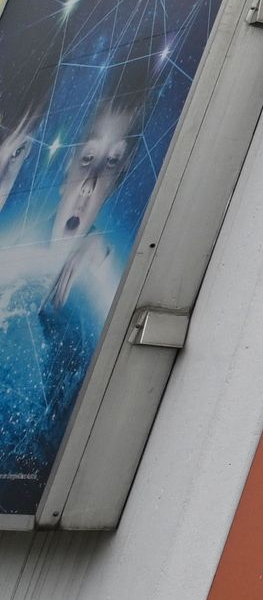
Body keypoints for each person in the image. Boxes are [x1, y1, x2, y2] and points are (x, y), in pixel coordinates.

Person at [0, 45, 162, 471]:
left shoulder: (99, 277)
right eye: (88, 159)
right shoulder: (19, 245)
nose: (89, 185)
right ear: (66, 160)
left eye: (110, 165)